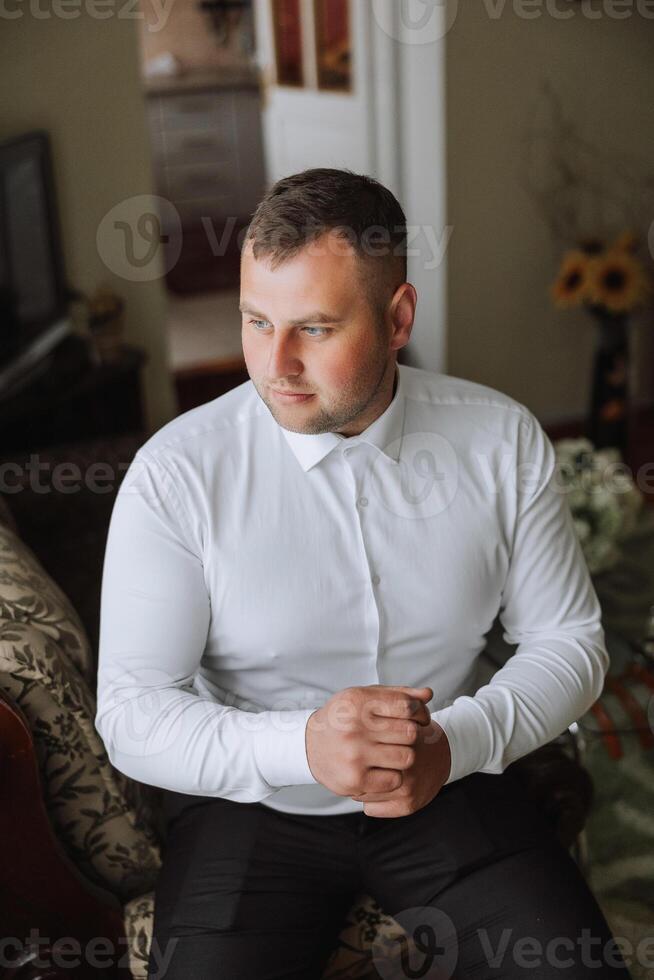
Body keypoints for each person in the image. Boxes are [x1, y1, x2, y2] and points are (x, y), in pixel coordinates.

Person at [95, 169, 631, 979]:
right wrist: (303, 745)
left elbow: (570, 641)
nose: (274, 364)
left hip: (450, 777)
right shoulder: (175, 474)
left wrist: (460, 743)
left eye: (313, 327)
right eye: (254, 321)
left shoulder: (499, 440)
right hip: (253, 806)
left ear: (398, 318)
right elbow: (131, 713)